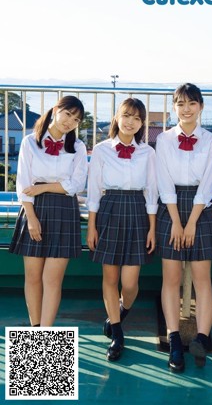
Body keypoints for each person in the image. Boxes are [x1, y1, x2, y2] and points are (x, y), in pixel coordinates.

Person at [155, 83, 212, 372]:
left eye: (192, 103)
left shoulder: (211, 140)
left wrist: (191, 221)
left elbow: (209, 183)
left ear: (201, 107)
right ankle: (173, 339)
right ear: (174, 107)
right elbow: (163, 181)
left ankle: (201, 338)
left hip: (201, 208)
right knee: (170, 277)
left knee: (201, 277)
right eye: (180, 103)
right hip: (171, 206)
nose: (186, 109)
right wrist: (176, 220)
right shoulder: (164, 140)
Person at [87, 98, 158, 362]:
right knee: (110, 277)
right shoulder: (102, 149)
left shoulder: (148, 152)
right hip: (109, 209)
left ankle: (122, 310)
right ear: (117, 117)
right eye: (126, 115)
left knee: (129, 284)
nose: (130, 121)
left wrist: (152, 228)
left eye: (137, 118)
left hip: (138, 210)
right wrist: (92, 226)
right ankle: (117, 333)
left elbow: (152, 191)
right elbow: (94, 191)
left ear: (142, 124)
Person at [9, 95, 88, 327]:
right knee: (33, 277)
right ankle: (35, 330)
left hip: (64, 211)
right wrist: (31, 218)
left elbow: (76, 185)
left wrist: (43, 187)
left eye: (76, 119)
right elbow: (23, 184)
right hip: (34, 209)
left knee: (51, 279)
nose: (70, 121)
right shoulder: (29, 142)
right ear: (56, 110)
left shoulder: (79, 147)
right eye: (68, 114)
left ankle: (46, 331)